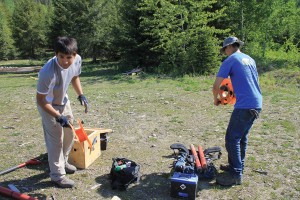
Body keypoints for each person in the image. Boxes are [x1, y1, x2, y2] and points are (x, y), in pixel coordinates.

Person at [36, 36, 89, 188]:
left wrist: (80, 94)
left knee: (70, 133)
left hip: (63, 101)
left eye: (68, 57)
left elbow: (75, 77)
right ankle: (57, 176)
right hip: (48, 105)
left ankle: (63, 161)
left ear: (74, 54)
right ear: (55, 54)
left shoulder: (77, 59)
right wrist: (58, 116)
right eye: (61, 57)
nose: (65, 61)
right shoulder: (47, 72)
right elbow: (41, 100)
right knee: (56, 140)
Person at [212, 36, 262, 186]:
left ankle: (236, 175)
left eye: (224, 50)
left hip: (245, 105)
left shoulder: (231, 60)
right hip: (256, 103)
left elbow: (216, 85)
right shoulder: (249, 59)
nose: (225, 53)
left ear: (229, 47)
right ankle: (238, 166)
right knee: (241, 137)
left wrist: (216, 99)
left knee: (232, 138)